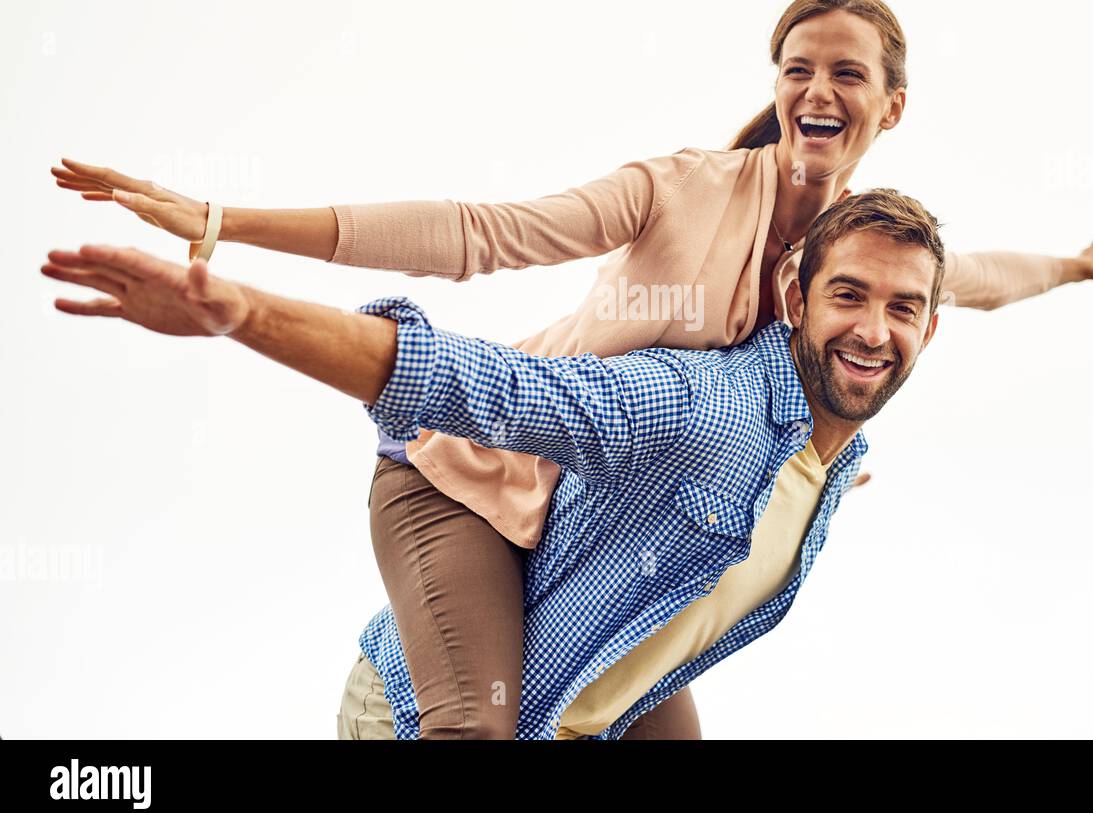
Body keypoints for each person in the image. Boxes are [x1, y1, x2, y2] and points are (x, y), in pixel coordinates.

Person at [49, 0, 1093, 739]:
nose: (817, 88)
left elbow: (977, 276)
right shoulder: (680, 186)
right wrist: (228, 220)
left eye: (846, 72)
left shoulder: (857, 254)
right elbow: (477, 232)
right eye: (796, 66)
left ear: (888, 106)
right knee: (477, 721)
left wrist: (1078, 268)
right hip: (466, 469)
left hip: (594, 522)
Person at [45, 190, 950, 739]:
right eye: (848, 295)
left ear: (931, 327)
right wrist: (241, 311)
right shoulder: (703, 404)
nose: (874, 330)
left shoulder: (833, 468)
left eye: (903, 308)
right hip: (417, 713)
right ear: (795, 298)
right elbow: (499, 388)